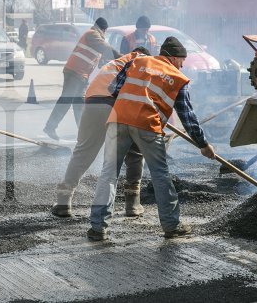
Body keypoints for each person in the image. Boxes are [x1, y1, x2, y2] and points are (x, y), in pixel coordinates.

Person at [87, 36, 216, 241]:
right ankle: (171, 226)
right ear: (174, 58)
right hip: (147, 124)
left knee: (109, 173)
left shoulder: (138, 61)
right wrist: (203, 144)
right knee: (160, 174)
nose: (182, 66)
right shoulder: (177, 77)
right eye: (182, 61)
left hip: (118, 119)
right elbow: (188, 117)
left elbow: (114, 89)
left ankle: (97, 227)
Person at [51, 46, 151, 218]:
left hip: (93, 104)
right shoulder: (144, 64)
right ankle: (132, 204)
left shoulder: (116, 63)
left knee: (83, 151)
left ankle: (63, 202)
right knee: (135, 151)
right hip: (118, 105)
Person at [43, 17, 121, 140]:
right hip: (75, 72)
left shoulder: (94, 36)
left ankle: (82, 132)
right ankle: (50, 127)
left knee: (79, 104)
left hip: (81, 75)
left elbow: (97, 55)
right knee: (67, 99)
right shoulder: (92, 34)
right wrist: (121, 57)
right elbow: (105, 48)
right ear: (104, 29)